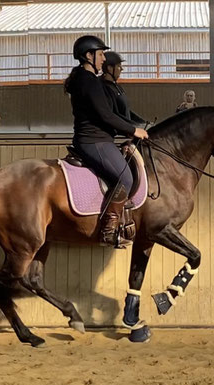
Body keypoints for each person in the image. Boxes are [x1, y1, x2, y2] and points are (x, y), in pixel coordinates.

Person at [64, 35, 148, 248]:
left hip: (99, 139)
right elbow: (105, 115)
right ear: (88, 56)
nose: (103, 59)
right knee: (125, 179)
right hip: (93, 141)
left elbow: (109, 114)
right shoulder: (88, 80)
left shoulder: (89, 79)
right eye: (100, 54)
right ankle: (108, 230)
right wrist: (133, 130)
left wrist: (133, 127)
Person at [99, 51, 147, 127]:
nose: (121, 69)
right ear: (110, 68)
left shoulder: (116, 86)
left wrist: (142, 123)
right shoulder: (104, 88)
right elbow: (114, 114)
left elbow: (126, 111)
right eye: (118, 66)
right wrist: (133, 126)